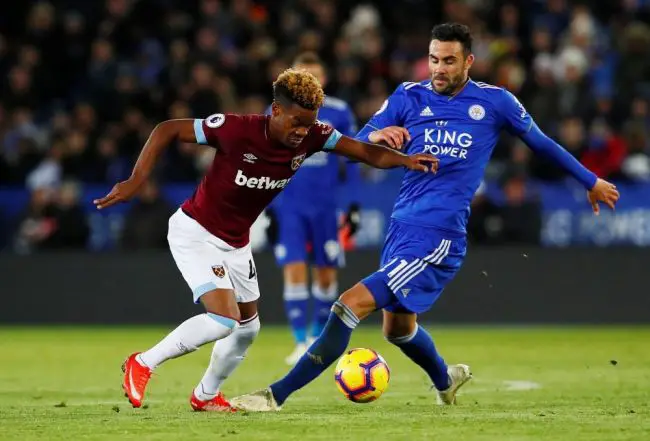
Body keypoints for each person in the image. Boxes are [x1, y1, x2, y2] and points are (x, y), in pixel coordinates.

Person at [230, 23, 620, 411]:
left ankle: (274, 395)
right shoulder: (408, 96)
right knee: (398, 329)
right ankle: (445, 381)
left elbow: (541, 143)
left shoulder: (495, 102)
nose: (439, 69)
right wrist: (376, 137)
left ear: (468, 61)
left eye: (448, 61)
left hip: (439, 234)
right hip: (401, 227)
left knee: (348, 304)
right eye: (434, 59)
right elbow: (358, 145)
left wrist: (590, 181)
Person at [93, 68, 438, 411]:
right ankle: (143, 362)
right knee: (224, 319)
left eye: (308, 124)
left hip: (236, 242)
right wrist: (136, 180)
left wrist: (406, 161)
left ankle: (206, 396)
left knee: (247, 329)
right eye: (296, 122)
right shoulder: (236, 129)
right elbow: (167, 129)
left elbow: (365, 152)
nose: (302, 132)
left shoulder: (314, 135)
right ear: (276, 110)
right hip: (196, 232)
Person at [265, 52, 361, 365]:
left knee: (326, 274)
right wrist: (266, 205)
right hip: (290, 205)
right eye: (305, 75)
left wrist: (353, 204)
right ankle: (299, 341)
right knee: (293, 269)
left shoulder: (339, 111)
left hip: (326, 207)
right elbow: (264, 158)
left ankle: (317, 337)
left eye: (315, 75)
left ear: (324, 79)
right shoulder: (277, 110)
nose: (311, 80)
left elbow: (353, 158)